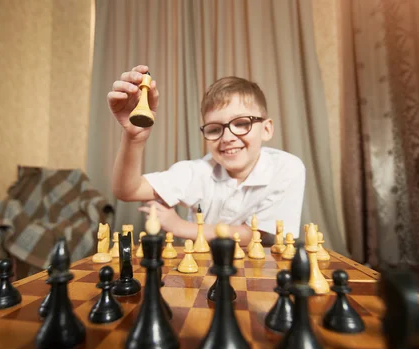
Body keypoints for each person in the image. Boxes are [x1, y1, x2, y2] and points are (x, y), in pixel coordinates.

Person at [108, 65, 305, 246]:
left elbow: (255, 234)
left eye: (242, 123)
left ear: (267, 129)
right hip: (203, 273)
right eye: (214, 128)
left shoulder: (287, 168)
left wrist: (180, 227)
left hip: (261, 275)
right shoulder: (197, 172)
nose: (227, 137)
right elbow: (128, 191)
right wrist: (133, 138)